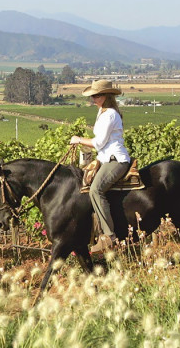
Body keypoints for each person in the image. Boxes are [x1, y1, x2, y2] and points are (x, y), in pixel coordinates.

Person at [70, 79, 130, 253]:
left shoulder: (109, 114)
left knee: (96, 189)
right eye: (92, 96)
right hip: (106, 158)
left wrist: (79, 140)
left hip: (115, 160)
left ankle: (109, 237)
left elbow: (99, 142)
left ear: (105, 96)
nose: (93, 99)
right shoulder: (102, 113)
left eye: (96, 95)